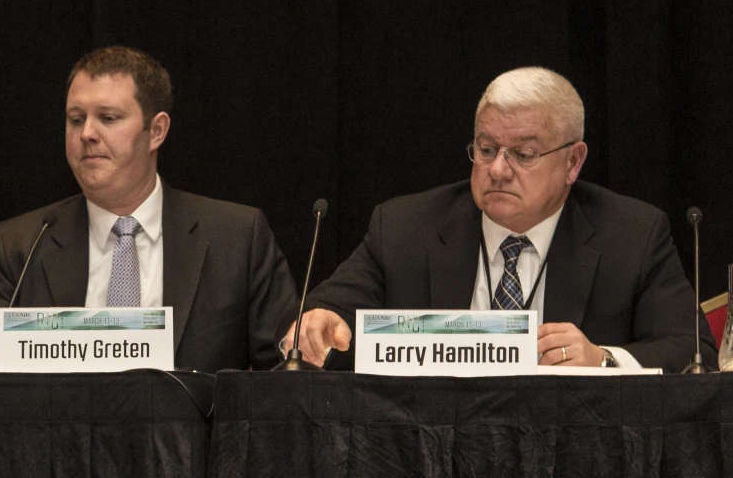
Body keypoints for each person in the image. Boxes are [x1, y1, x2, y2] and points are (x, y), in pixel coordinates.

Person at [288, 65, 705, 370]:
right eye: (486, 149)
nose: (498, 170)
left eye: (523, 154)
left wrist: (603, 360)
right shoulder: (405, 227)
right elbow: (323, 312)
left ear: (573, 162)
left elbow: (694, 348)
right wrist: (317, 321)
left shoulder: (632, 235)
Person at [0, 46, 297, 371]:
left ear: (156, 131)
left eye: (108, 118)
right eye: (76, 120)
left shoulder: (236, 238)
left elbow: (281, 375)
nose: (87, 134)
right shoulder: (20, 245)